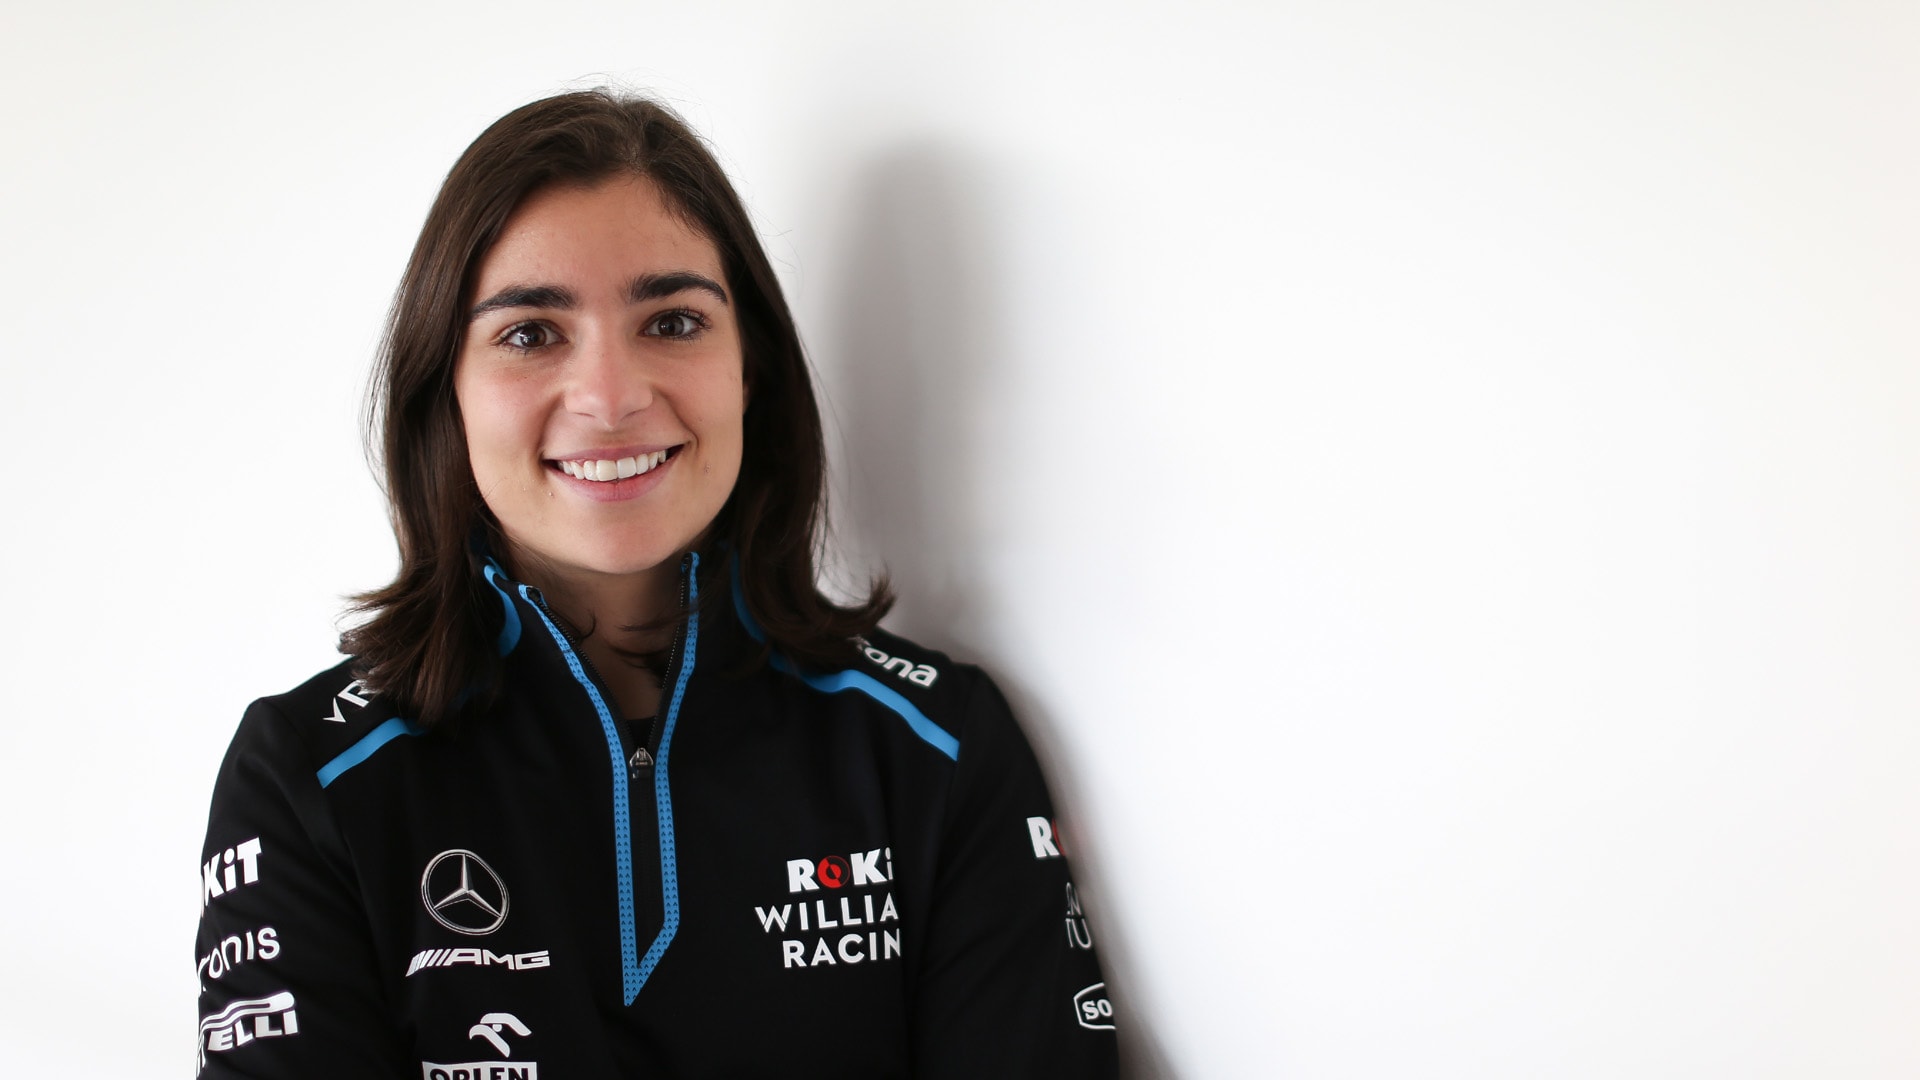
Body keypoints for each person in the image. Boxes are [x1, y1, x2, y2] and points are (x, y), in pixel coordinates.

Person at [193, 89, 1118, 1078]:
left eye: (673, 321)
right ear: (444, 392)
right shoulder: (309, 778)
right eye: (530, 333)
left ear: (750, 370)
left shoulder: (937, 746)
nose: (611, 398)